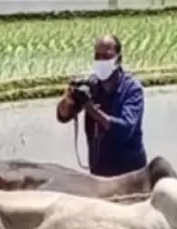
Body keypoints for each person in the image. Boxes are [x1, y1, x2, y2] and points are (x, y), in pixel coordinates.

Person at [56, 34, 147, 177]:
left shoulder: (131, 89)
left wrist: (92, 111)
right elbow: (62, 116)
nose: (101, 61)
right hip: (99, 175)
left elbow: (125, 129)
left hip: (131, 176)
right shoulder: (92, 86)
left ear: (118, 59)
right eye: (98, 56)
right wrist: (68, 100)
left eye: (107, 56)